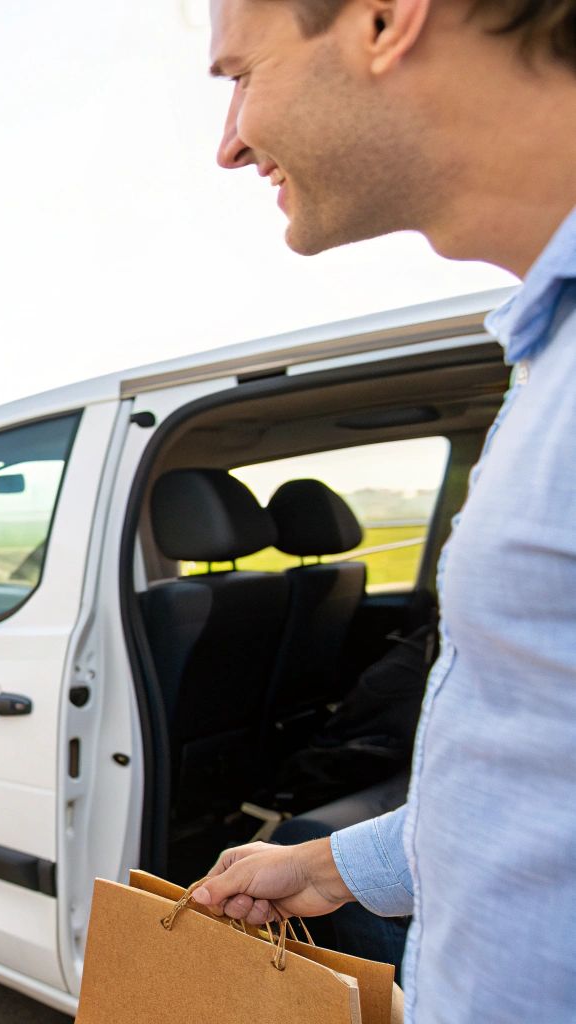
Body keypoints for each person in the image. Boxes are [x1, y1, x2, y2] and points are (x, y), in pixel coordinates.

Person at [192, 1, 576, 1019]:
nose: (229, 143)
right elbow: (542, 782)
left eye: (241, 73)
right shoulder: (546, 355)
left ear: (382, 18)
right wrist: (329, 867)